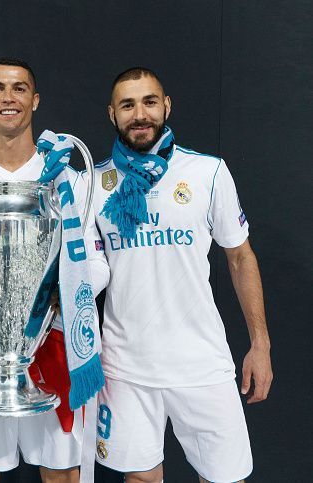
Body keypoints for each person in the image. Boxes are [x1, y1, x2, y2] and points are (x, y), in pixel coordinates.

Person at [91, 67, 273, 483]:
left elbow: (241, 257)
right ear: (112, 113)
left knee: (225, 479)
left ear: (166, 106)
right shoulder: (93, 182)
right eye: (128, 105)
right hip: (125, 367)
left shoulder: (207, 172)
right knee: (139, 479)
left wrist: (259, 344)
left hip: (200, 363)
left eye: (149, 102)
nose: (140, 114)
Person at [0, 58, 109, 483]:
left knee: (62, 473)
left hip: (53, 343)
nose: (7, 97)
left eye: (18, 88)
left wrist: (62, 287)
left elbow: (98, 262)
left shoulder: (66, 179)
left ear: (34, 99)